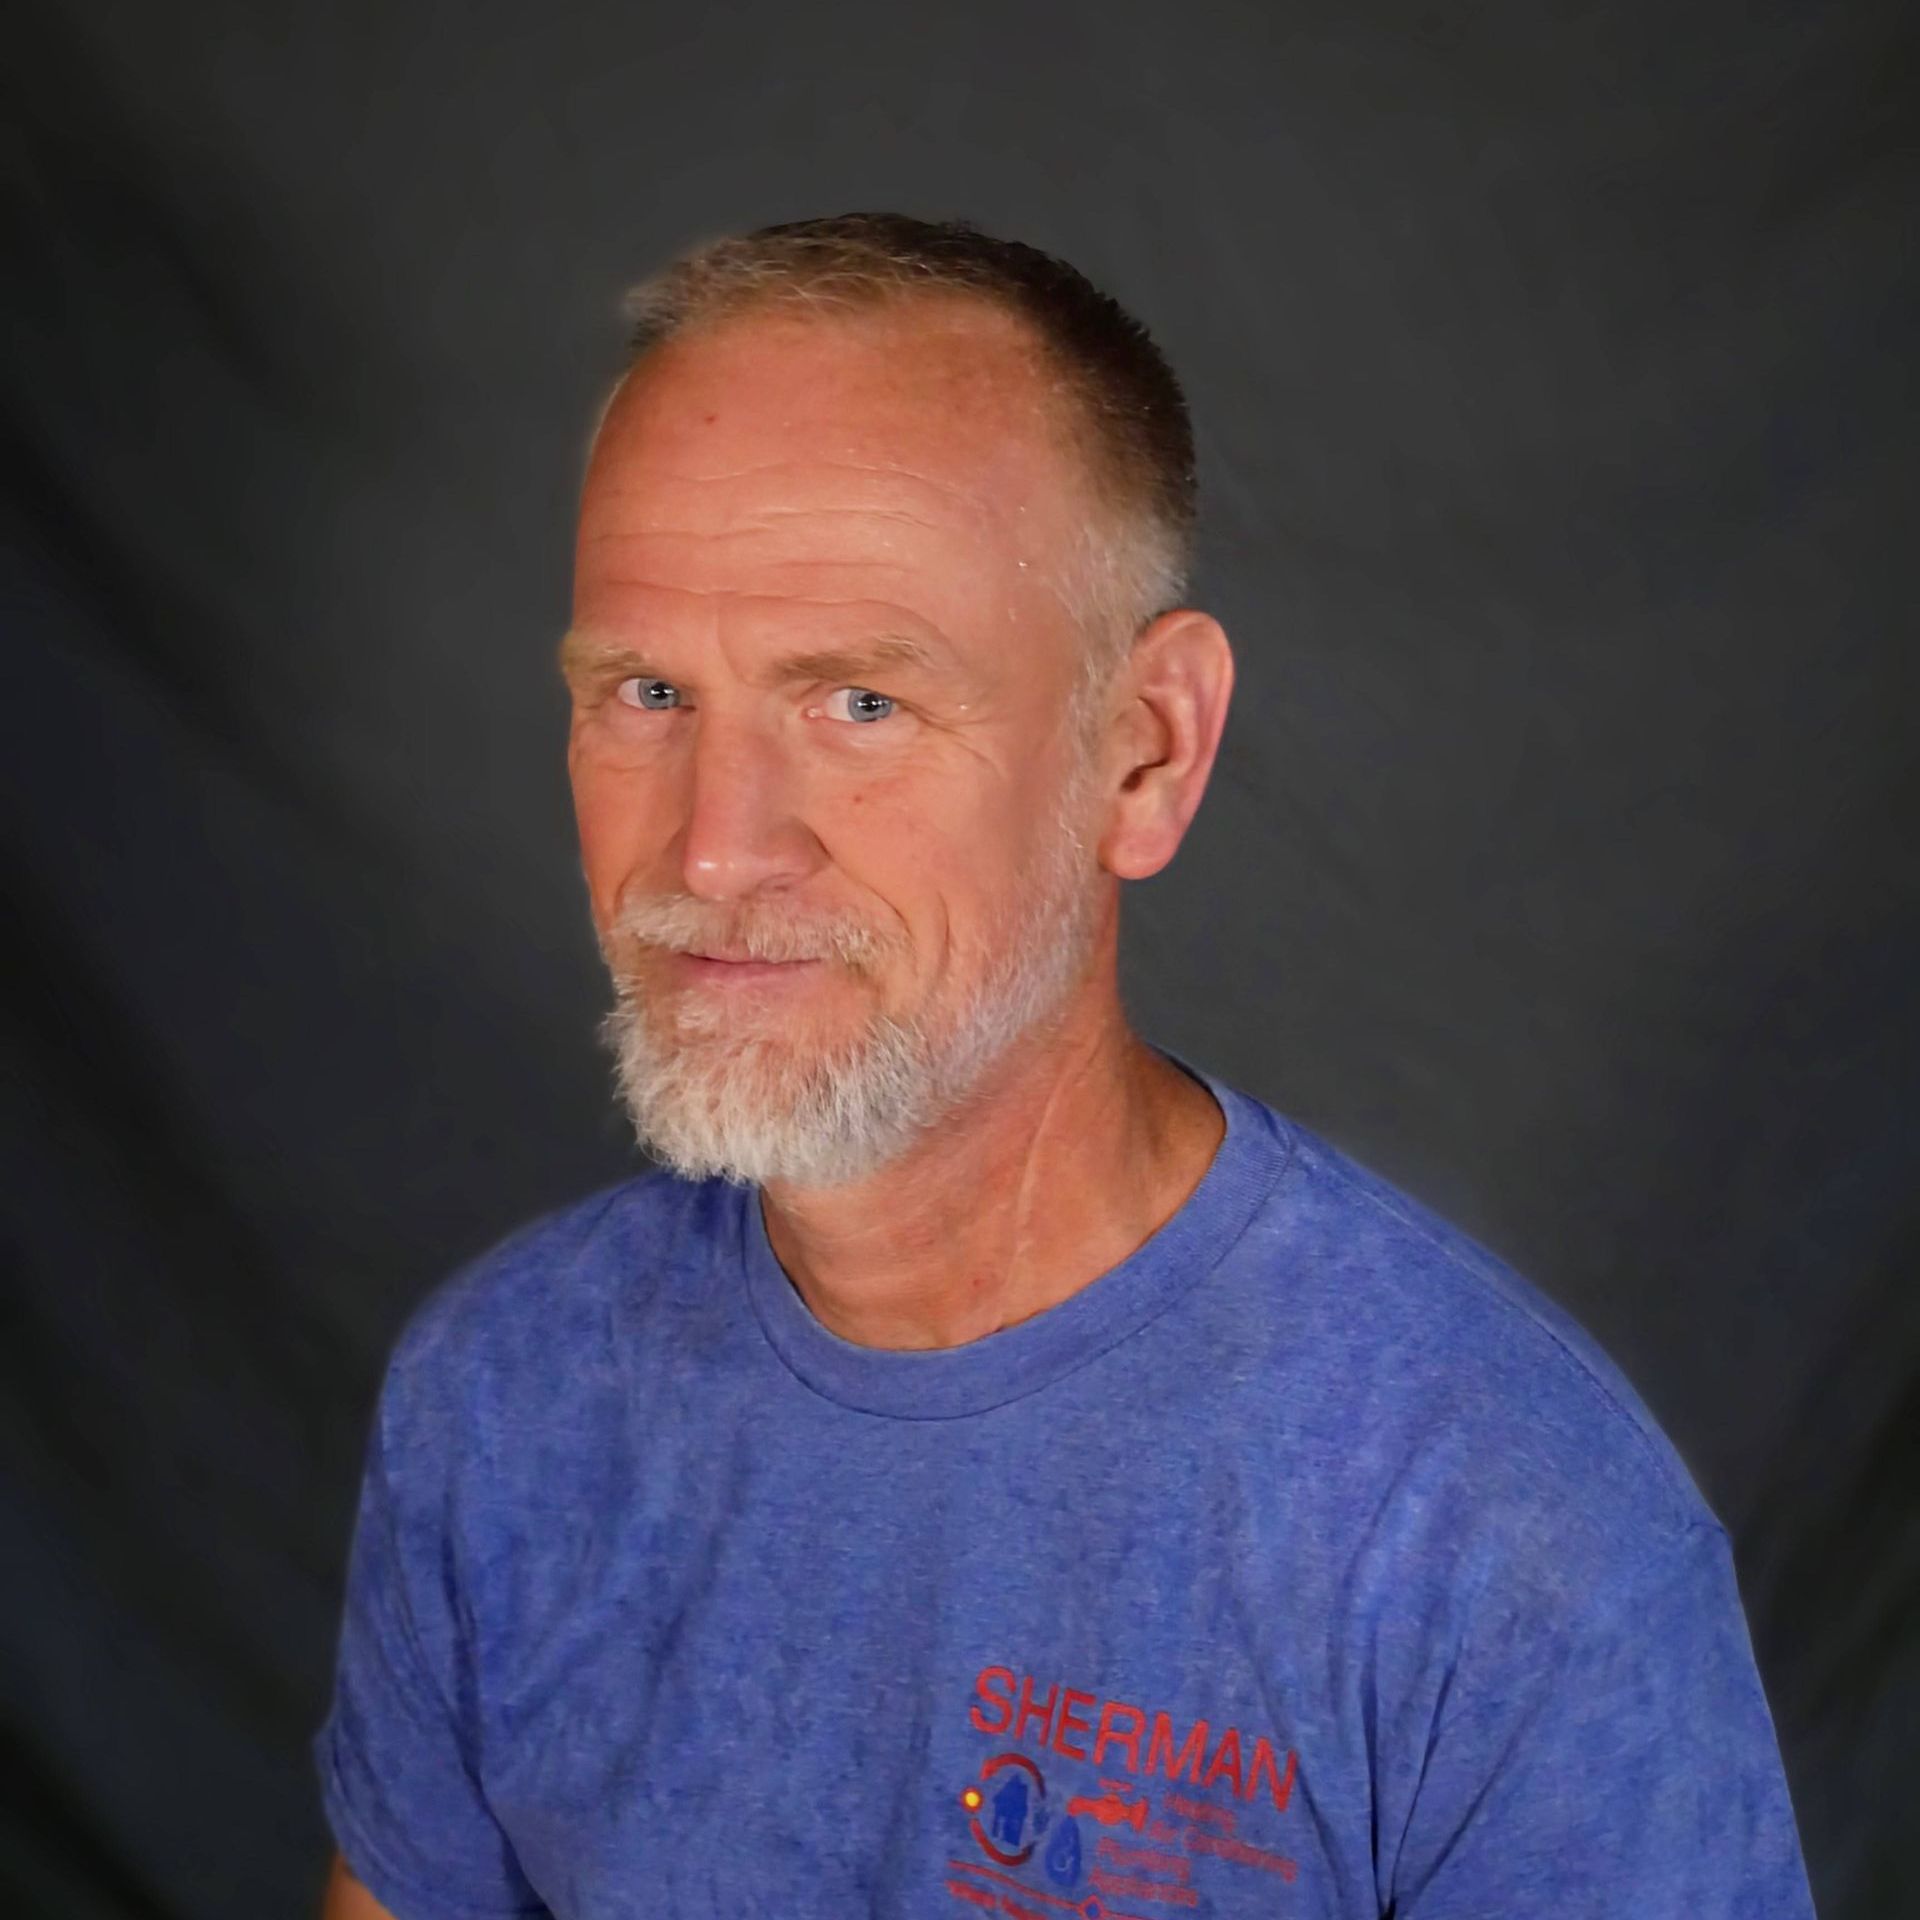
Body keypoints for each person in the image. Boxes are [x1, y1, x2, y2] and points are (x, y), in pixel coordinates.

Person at [313, 211, 1815, 1920]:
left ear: (1143, 755)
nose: (716, 851)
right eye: (648, 690)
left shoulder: (1493, 1530)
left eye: (860, 703)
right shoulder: (501, 1403)